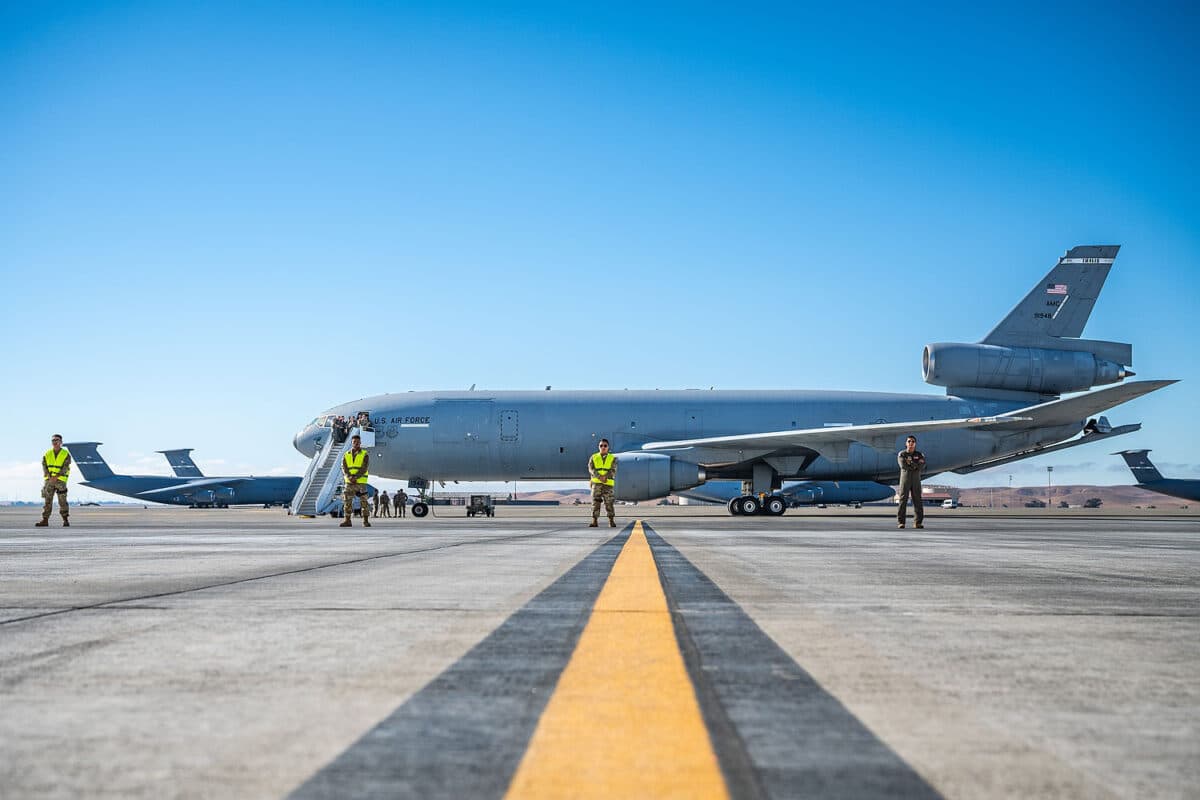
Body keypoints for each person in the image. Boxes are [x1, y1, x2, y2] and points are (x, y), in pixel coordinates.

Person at [37, 434, 72, 527]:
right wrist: (49, 476)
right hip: (49, 481)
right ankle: (45, 520)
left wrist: (56, 476)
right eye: (53, 440)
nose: (55, 442)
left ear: (61, 442)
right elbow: (44, 465)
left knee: (62, 501)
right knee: (47, 501)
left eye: (57, 440)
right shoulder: (47, 454)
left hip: (60, 480)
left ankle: (65, 520)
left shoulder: (66, 454)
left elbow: (65, 467)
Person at [340, 434, 371, 528]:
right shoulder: (346, 454)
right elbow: (343, 467)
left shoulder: (364, 454)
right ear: (352, 443)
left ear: (360, 443)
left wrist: (355, 477)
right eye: (354, 442)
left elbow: (364, 467)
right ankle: (347, 520)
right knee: (347, 501)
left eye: (358, 442)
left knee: (364, 502)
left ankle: (365, 521)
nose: (356, 444)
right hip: (349, 482)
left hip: (360, 482)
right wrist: (349, 476)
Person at [897, 435, 926, 529]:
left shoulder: (919, 454)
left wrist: (911, 463)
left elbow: (922, 465)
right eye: (909, 441)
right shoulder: (902, 454)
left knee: (918, 501)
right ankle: (901, 522)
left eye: (913, 441)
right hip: (905, 480)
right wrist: (915, 465)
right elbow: (903, 465)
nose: (911, 443)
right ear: (906, 443)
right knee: (903, 500)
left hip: (916, 480)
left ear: (915, 443)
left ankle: (918, 523)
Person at [588, 438, 618, 528]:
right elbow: (591, 468)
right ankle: (594, 521)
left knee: (609, 503)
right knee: (595, 503)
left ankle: (611, 521)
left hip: (607, 484)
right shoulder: (593, 457)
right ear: (599, 447)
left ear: (608, 447)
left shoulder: (612, 458)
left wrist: (605, 477)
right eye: (601, 445)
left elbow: (613, 469)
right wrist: (599, 476)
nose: (603, 447)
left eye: (605, 445)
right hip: (596, 484)